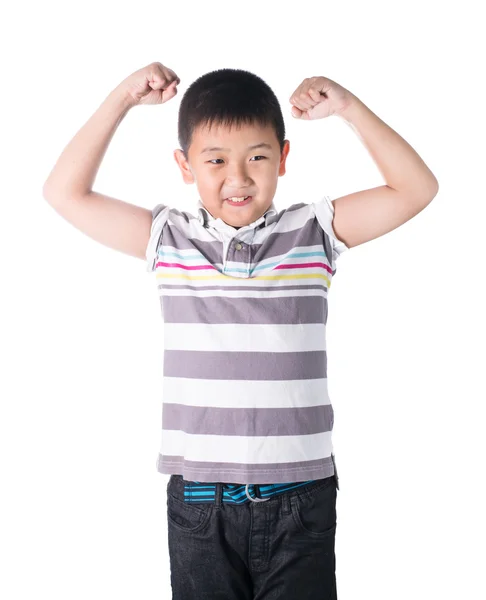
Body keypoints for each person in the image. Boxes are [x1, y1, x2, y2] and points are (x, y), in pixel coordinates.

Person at [42, 61, 439, 599]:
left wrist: (348, 108)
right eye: (216, 160)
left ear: (283, 157)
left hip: (301, 500)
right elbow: (64, 192)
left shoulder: (314, 231)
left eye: (257, 157)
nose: (238, 177)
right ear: (185, 166)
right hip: (201, 506)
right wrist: (121, 99)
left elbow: (416, 188)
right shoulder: (168, 239)